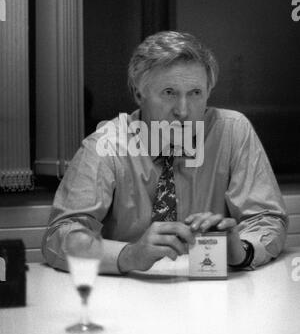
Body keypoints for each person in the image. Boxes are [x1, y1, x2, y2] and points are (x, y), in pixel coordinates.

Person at [42, 31, 288, 274]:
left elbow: (267, 219)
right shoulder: (106, 145)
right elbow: (59, 237)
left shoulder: (232, 131)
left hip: (210, 294)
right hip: (126, 294)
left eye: (195, 93)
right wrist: (129, 254)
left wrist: (240, 250)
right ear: (139, 94)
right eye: (169, 93)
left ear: (208, 93)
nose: (183, 110)